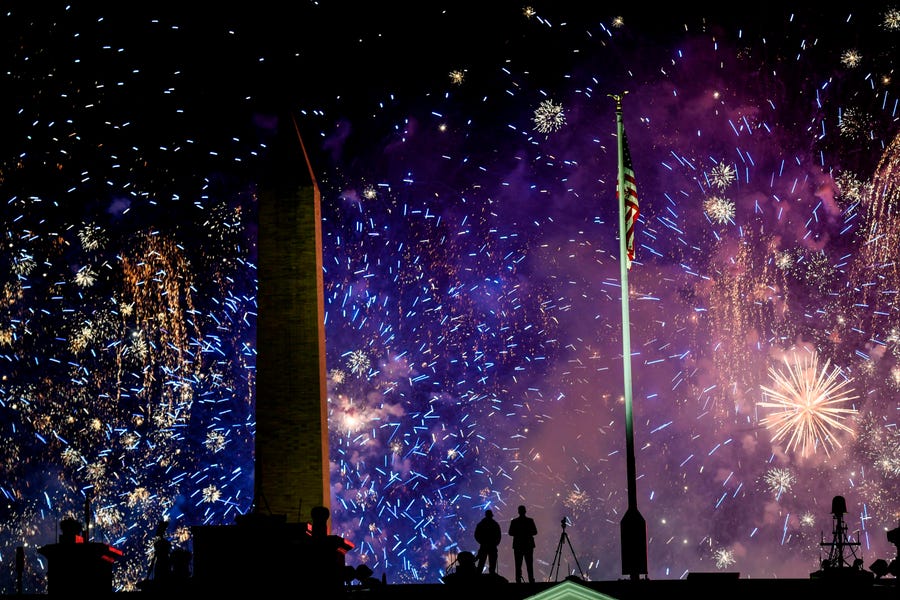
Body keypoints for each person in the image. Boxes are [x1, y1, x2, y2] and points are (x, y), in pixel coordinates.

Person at [508, 505, 537, 583]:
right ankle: (531, 580)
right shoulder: (530, 521)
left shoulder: (514, 521)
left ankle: (518, 580)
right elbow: (535, 532)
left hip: (518, 545)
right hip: (528, 545)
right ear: (525, 511)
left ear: (518, 512)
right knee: (529, 564)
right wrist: (527, 533)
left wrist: (518, 533)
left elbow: (510, 533)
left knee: (518, 564)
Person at [473, 509, 502, 575]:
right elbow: (499, 536)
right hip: (492, 546)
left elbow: (476, 535)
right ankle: (491, 575)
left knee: (481, 562)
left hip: (484, 546)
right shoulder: (495, 524)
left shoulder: (481, 524)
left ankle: (478, 575)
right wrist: (495, 543)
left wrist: (482, 542)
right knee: (492, 562)